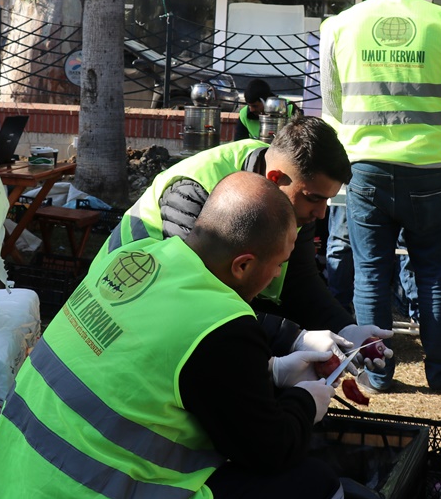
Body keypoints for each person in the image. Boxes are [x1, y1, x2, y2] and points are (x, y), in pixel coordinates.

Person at [0, 173, 343, 499]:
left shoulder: (136, 257)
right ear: (243, 266)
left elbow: (148, 370)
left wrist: (274, 372)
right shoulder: (222, 325)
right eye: (278, 263)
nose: (278, 276)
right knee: (320, 491)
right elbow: (270, 451)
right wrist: (306, 402)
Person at [320, 0, 441, 392]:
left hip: (366, 168)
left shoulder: (340, 24)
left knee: (371, 273)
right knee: (434, 272)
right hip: (430, 169)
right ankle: (438, 372)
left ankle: (376, 373)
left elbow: (332, 102)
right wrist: (435, 122)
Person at [108, 115, 391, 358]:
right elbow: (197, 302)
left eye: (327, 200)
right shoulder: (194, 190)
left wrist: (345, 328)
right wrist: (293, 338)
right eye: (314, 198)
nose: (321, 213)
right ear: (275, 178)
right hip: (124, 307)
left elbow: (299, 280)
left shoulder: (289, 192)